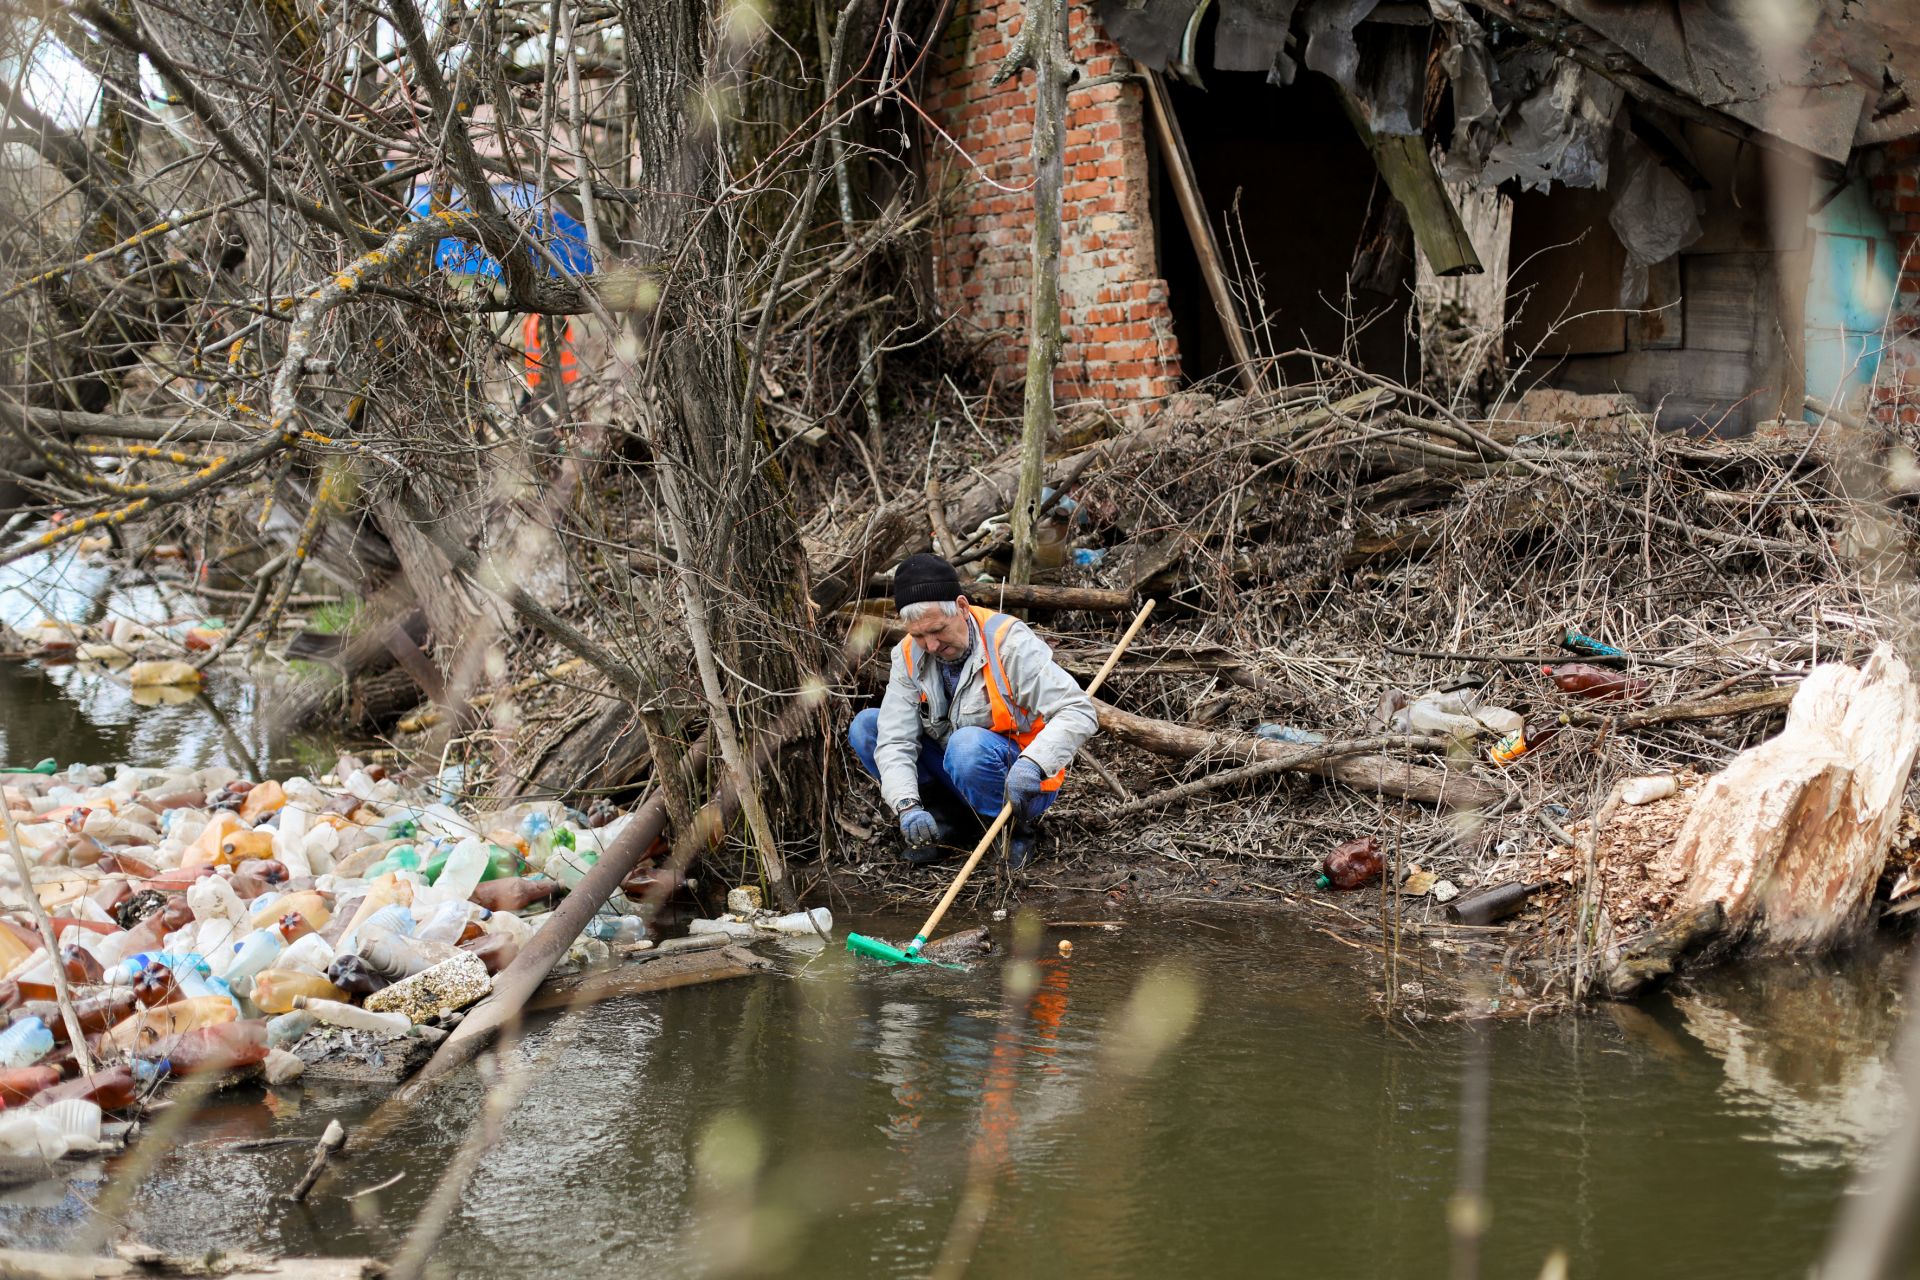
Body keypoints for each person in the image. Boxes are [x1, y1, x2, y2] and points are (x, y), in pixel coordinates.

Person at [848, 552, 1100, 869]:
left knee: (966, 745)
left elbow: (1078, 710)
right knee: (867, 728)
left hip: (1019, 781)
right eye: (919, 635)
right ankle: (946, 819)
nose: (931, 646)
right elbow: (895, 739)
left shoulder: (1008, 642)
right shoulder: (908, 654)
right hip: (953, 770)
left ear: (963, 607)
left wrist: (1034, 764)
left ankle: (1011, 832)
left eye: (938, 630)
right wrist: (908, 805)